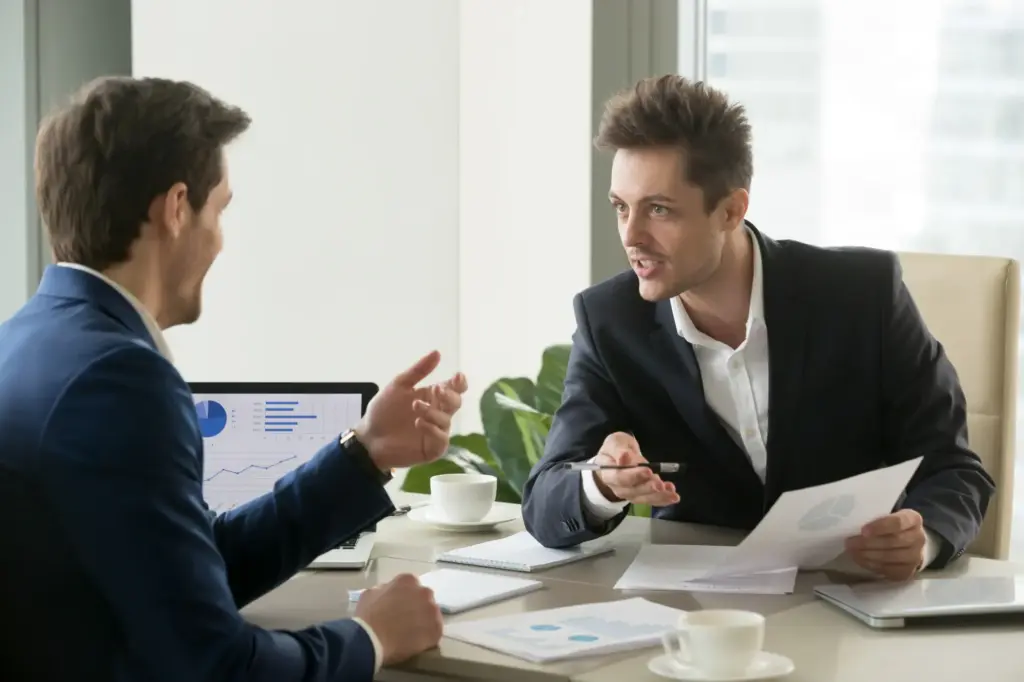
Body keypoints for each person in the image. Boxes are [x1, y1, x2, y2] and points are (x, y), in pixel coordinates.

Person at [0, 76, 468, 682]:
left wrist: (365, 453)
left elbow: (185, 572)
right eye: (218, 209)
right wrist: (371, 638)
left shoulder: (26, 341)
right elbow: (218, 668)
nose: (220, 241)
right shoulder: (120, 379)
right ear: (175, 210)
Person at [521, 75, 995, 582]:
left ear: (731, 209)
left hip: (849, 601)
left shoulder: (863, 295)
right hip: (698, 618)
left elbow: (954, 468)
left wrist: (922, 540)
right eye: (621, 207)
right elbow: (546, 499)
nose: (632, 236)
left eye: (659, 210)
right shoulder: (611, 321)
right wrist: (603, 485)